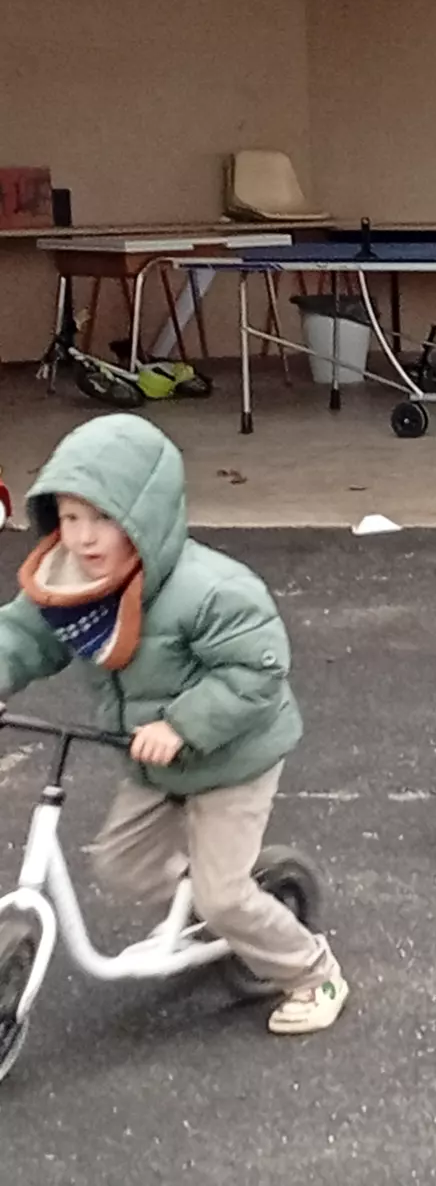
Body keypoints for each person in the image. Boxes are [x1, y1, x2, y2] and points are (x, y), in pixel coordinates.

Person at [0, 416, 347, 1035]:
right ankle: (223, 905)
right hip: (152, 762)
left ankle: (310, 968)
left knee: (223, 896)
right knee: (120, 864)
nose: (82, 537)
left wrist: (182, 725)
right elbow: (21, 637)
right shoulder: (72, 583)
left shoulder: (211, 590)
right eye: (69, 518)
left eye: (102, 518)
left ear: (143, 515)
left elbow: (256, 669)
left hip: (232, 759)